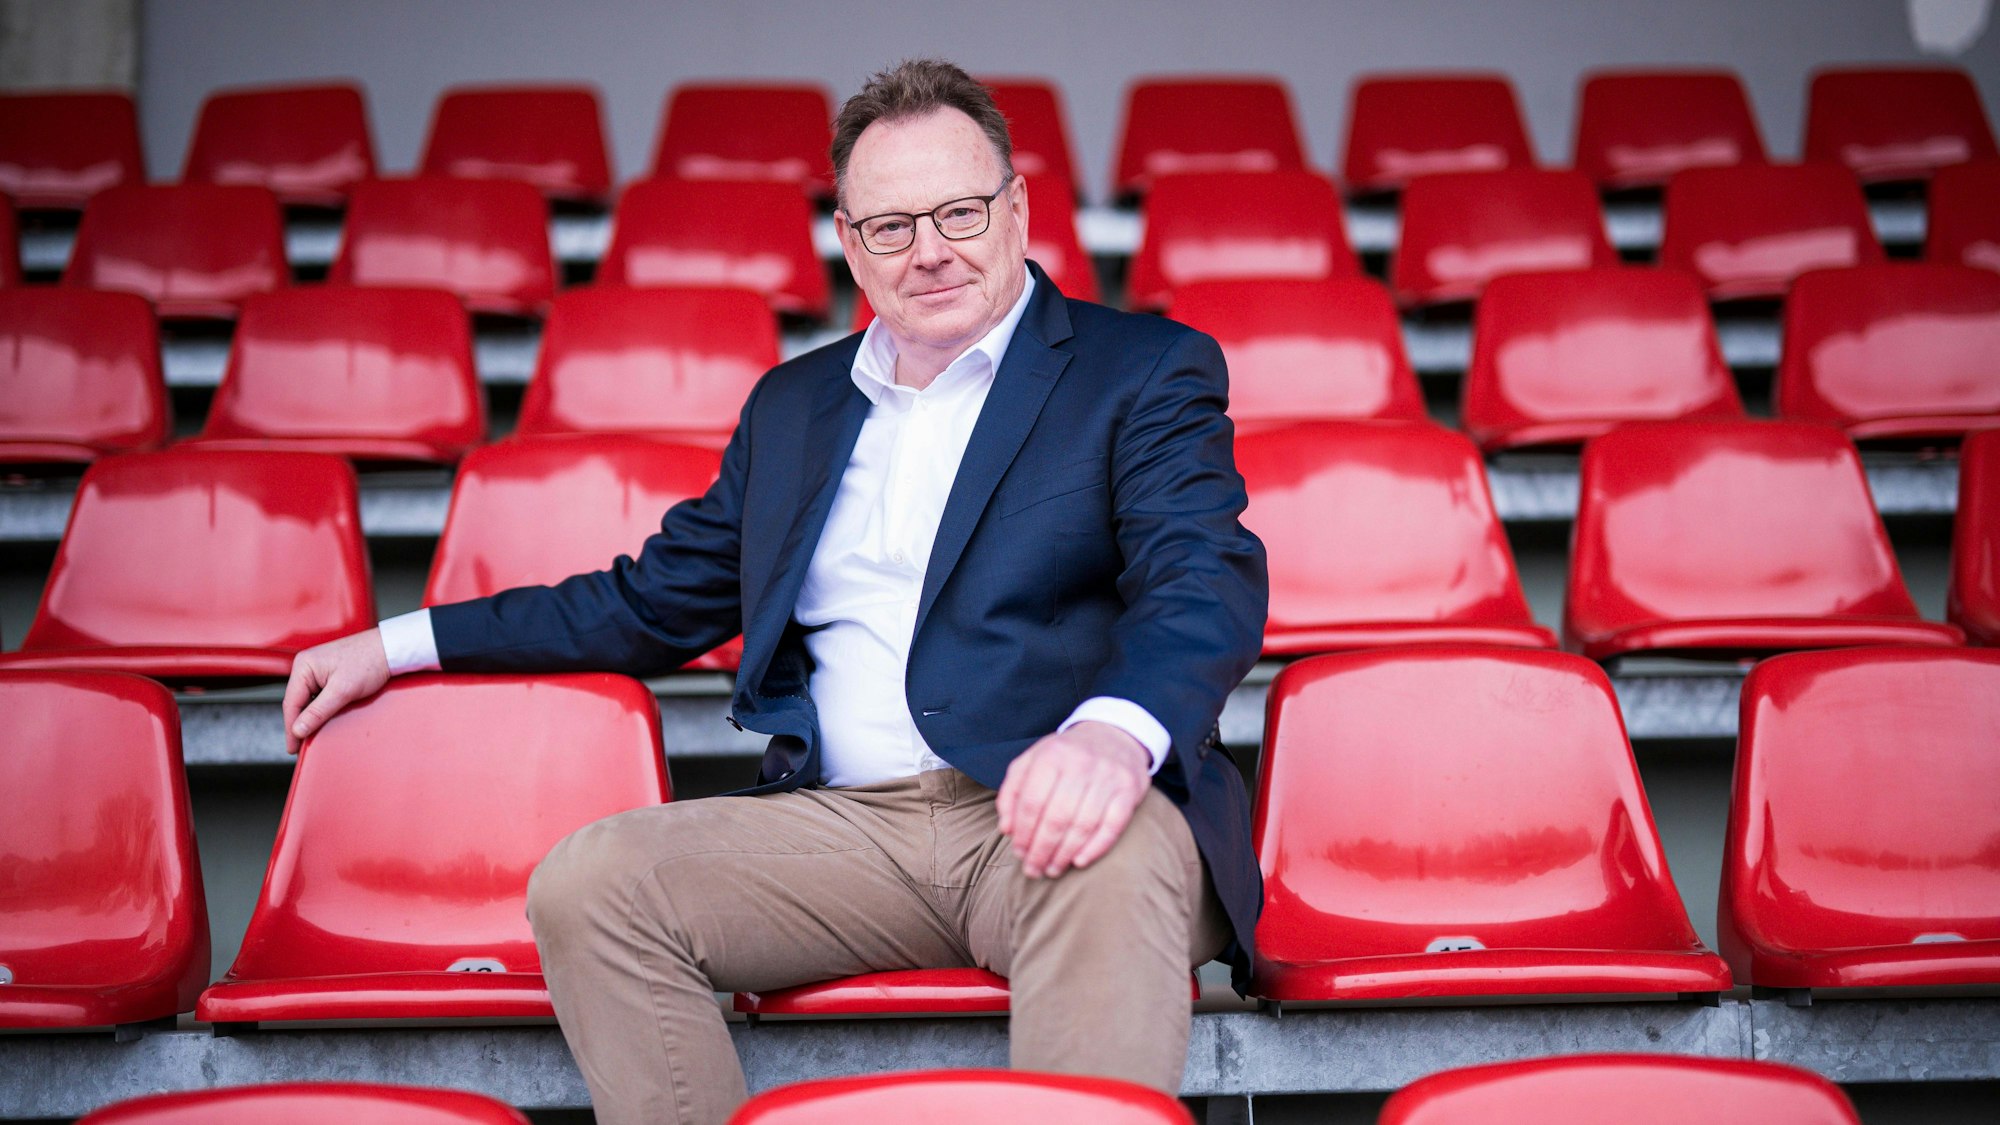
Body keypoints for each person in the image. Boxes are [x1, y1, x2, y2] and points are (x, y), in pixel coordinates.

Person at [282, 58, 1267, 1125]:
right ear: (848, 241)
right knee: (594, 884)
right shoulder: (794, 406)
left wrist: (1112, 737)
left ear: (1017, 207)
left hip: (1054, 815)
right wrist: (399, 642)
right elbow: (651, 601)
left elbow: (1199, 576)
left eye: (960, 212)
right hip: (845, 835)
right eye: (891, 226)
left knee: (1109, 857)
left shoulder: (1140, 370)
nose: (930, 250)